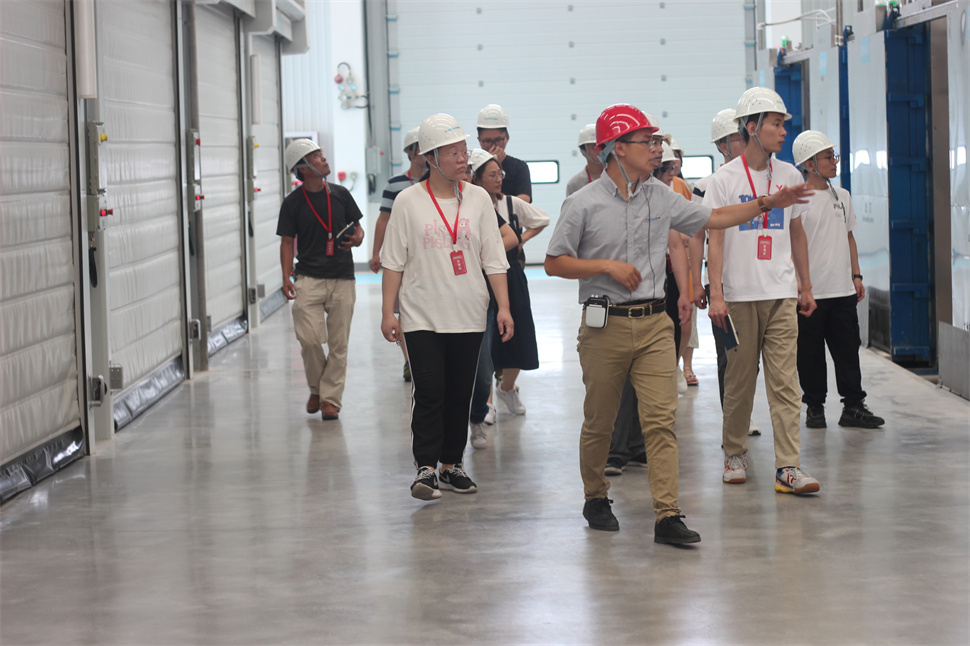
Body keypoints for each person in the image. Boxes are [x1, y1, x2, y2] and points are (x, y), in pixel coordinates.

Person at [544, 103, 812, 542]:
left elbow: (715, 218)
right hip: (605, 326)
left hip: (654, 323)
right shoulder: (582, 203)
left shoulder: (661, 195)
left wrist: (768, 202)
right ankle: (595, 495)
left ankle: (667, 514)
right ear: (616, 149)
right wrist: (606, 267)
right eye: (646, 142)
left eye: (657, 141)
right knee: (600, 421)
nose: (657, 149)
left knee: (661, 422)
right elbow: (554, 262)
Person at [380, 114, 513, 500]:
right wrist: (388, 312)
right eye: (452, 152)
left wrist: (504, 308)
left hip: (469, 312)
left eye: (462, 151)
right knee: (429, 391)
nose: (462, 158)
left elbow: (494, 258)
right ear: (430, 158)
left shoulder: (479, 200)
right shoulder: (408, 201)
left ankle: (451, 465)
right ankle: (425, 468)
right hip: (421, 313)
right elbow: (393, 261)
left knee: (460, 393)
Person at [704, 87, 821, 495]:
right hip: (739, 296)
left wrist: (805, 286)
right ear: (752, 128)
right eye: (776, 123)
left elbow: (796, 231)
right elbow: (715, 238)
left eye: (784, 124)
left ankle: (788, 466)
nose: (784, 131)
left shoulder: (790, 175)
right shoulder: (724, 179)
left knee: (786, 382)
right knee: (739, 382)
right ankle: (734, 453)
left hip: (781, 294)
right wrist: (716, 293)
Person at [791, 130, 885, 429]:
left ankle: (853, 406)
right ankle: (815, 407)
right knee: (810, 354)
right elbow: (791, 244)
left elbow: (849, 237)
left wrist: (856, 274)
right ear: (809, 163)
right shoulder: (796, 200)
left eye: (834, 156)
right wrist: (799, 284)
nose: (834, 162)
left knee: (847, 351)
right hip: (811, 294)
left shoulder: (842, 196)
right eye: (828, 157)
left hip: (842, 290)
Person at [277, 139, 365, 421]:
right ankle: (317, 387)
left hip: (342, 278)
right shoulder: (292, 203)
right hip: (308, 278)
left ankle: (329, 400)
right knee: (310, 340)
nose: (323, 159)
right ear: (302, 168)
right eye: (316, 156)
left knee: (339, 344)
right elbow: (287, 242)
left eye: (321, 155)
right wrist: (286, 276)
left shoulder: (340, 194)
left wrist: (358, 238)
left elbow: (359, 229)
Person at [691, 108, 761, 435]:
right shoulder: (706, 186)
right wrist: (698, 283)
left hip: (762, 283)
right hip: (724, 285)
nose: (745, 142)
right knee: (730, 357)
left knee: (754, 360)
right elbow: (696, 236)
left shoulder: (765, 181)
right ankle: (732, 422)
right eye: (738, 138)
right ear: (722, 145)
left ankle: (742, 415)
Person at [466, 149, 520, 450]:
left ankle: (476, 418)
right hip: (437, 301)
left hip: (479, 299)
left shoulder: (478, 203)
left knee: (483, 369)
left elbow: (510, 237)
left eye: (467, 170)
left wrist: (479, 252)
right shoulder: (419, 202)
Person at [488, 154, 549, 416]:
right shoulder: (471, 207)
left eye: (500, 174)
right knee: (487, 342)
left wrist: (522, 239)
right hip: (483, 279)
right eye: (492, 175)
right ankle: (485, 403)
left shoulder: (510, 203)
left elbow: (542, 219)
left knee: (519, 338)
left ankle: (507, 388)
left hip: (512, 275)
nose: (498, 179)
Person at [371, 127, 428, 382]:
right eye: (422, 149)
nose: (427, 154)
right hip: (402, 257)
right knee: (404, 310)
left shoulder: (436, 184)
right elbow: (383, 219)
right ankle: (410, 360)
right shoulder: (395, 184)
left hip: (427, 257)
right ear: (410, 153)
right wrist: (376, 252)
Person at [477, 104, 532, 203]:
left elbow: (525, 199)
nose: (493, 145)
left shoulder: (519, 167)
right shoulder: (473, 167)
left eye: (498, 140)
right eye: (488, 141)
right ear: (479, 140)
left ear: (507, 138)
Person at [565, 124, 603, 197]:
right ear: (584, 151)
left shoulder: (617, 178)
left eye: (601, 146)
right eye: (594, 148)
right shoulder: (575, 184)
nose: (599, 151)